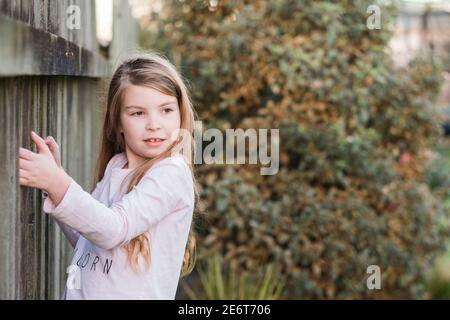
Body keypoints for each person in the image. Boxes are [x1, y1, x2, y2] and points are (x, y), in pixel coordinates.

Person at [18, 53, 198, 299]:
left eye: (166, 110)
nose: (154, 124)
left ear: (180, 113)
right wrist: (55, 182)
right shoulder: (117, 165)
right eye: (138, 113)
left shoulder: (171, 173)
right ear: (118, 122)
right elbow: (89, 236)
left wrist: (59, 184)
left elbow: (114, 229)